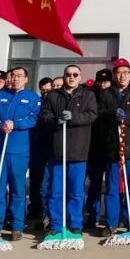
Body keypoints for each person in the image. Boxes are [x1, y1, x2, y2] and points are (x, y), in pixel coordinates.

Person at [0, 66, 41, 241]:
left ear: (26, 79)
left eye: (19, 76)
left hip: (19, 151)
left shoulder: (32, 98)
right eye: (13, 75)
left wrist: (16, 124)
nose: (15, 79)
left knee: (18, 189)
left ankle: (17, 225)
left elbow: (34, 118)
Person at [40, 64, 98, 236]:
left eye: (75, 74)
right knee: (56, 191)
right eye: (68, 74)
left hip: (78, 151)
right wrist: (57, 120)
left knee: (76, 192)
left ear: (80, 77)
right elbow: (45, 116)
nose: (71, 77)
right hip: (58, 151)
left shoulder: (88, 95)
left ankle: (75, 224)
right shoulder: (52, 96)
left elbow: (92, 115)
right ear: (63, 76)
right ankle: (56, 225)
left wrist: (73, 117)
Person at [95, 59, 130, 235]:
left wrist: (127, 117)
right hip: (112, 149)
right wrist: (113, 115)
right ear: (114, 75)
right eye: (119, 73)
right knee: (112, 188)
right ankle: (111, 223)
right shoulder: (106, 94)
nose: (122, 76)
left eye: (126, 72)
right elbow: (99, 115)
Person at [84, 68, 113, 227]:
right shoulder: (91, 95)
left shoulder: (114, 96)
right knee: (94, 183)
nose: (103, 85)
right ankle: (92, 214)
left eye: (106, 82)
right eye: (100, 82)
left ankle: (112, 218)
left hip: (110, 146)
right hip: (93, 146)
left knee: (111, 185)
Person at [28, 77, 56, 230]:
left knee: (46, 185)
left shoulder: (53, 104)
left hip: (50, 150)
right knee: (35, 182)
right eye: (43, 91)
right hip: (35, 149)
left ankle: (47, 215)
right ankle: (35, 210)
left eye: (48, 90)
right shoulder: (36, 104)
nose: (45, 93)